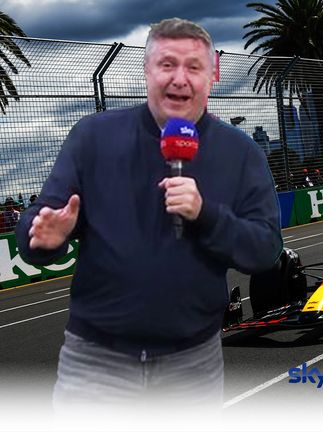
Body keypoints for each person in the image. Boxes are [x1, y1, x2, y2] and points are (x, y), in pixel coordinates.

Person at [15, 18, 282, 415]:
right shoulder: (92, 137)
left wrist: (205, 214)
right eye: (166, 64)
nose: (180, 79)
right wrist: (42, 238)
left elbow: (265, 251)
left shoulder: (242, 154)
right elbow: (39, 224)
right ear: (146, 71)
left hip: (193, 366)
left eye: (193, 67)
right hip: (94, 365)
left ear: (214, 74)